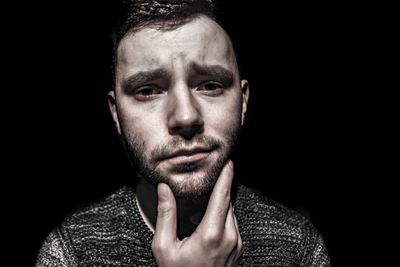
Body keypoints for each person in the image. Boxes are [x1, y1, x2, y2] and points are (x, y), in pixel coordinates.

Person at [36, 0, 331, 266]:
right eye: (147, 90)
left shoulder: (298, 248)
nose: (186, 116)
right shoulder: (71, 252)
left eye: (210, 85)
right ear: (116, 113)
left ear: (243, 101)